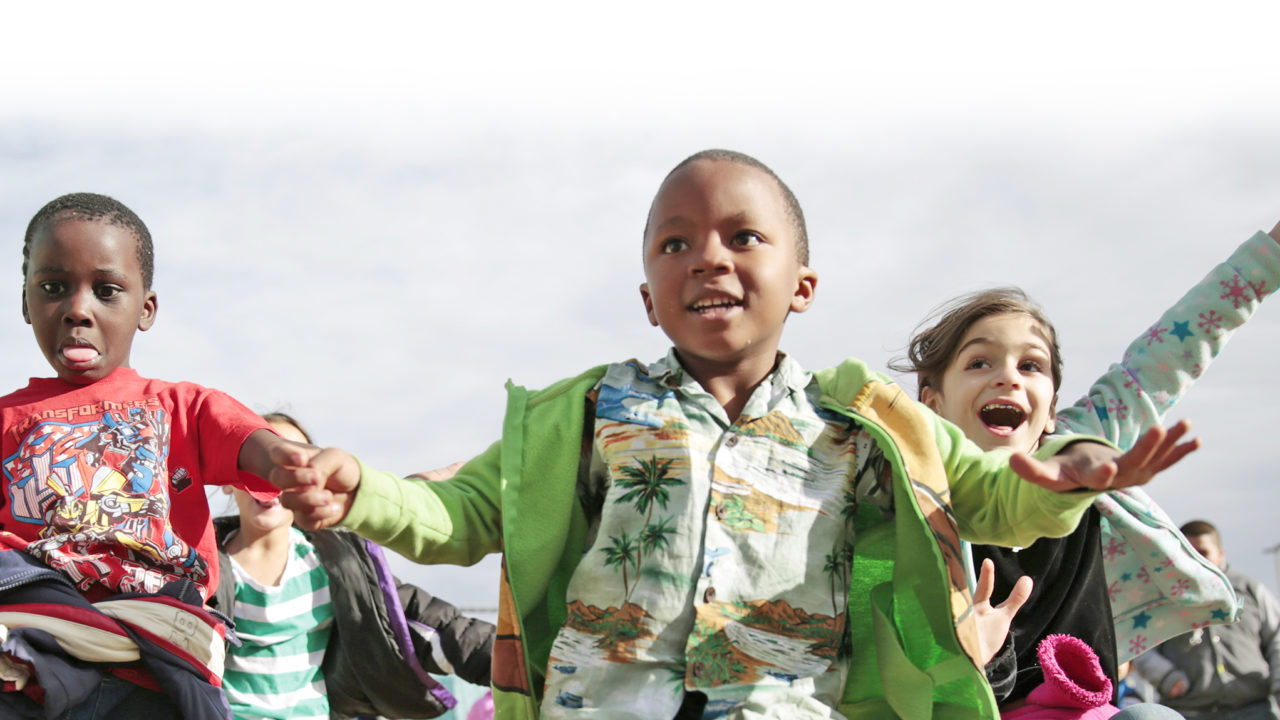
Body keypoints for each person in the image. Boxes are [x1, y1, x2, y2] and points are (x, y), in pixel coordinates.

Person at [269, 149, 1197, 720]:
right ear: (648, 297)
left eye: (743, 237)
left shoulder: (863, 421)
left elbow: (991, 496)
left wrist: (1072, 476)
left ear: (803, 285)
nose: (707, 256)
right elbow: (469, 511)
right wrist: (367, 494)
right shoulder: (588, 412)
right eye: (674, 243)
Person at [896, 223, 1280, 712]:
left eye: (1030, 365)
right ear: (933, 405)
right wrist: (964, 654)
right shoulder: (912, 499)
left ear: (1051, 412)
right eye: (979, 363)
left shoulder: (1084, 448)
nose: (1008, 377)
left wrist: (1268, 257)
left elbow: (1169, 353)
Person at [0, 193, 303, 719]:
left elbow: (255, 444)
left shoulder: (182, 407)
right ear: (26, 302)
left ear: (146, 309)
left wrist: (296, 465)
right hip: (37, 655)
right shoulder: (7, 418)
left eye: (106, 290)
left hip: (158, 665)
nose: (77, 309)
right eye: (52, 288)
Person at [214, 412, 495, 720]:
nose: (270, 479)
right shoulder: (198, 567)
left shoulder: (337, 563)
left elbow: (433, 625)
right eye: (257, 464)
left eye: (292, 468)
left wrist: (520, 660)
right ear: (227, 480)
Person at [1132, 520, 1280, 720]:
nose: (1197, 560)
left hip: (1253, 708)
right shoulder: (1161, 596)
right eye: (1189, 553)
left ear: (1221, 554)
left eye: (1203, 553)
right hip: (1187, 710)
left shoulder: (1250, 590)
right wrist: (1165, 676)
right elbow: (1139, 644)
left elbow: (1277, 637)